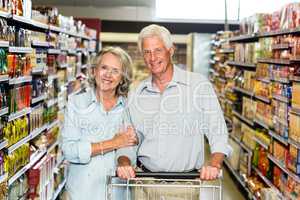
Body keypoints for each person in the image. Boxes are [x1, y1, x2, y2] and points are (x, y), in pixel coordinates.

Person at [116, 24, 232, 181]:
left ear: (170, 50)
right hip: (144, 182)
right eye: (147, 52)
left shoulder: (198, 85)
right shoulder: (136, 93)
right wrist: (124, 162)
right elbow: (129, 141)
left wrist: (215, 164)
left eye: (158, 50)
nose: (152, 58)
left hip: (185, 185)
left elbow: (217, 130)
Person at [61, 46, 137, 200]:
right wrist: (113, 143)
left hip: (118, 192)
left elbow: (129, 145)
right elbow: (69, 150)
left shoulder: (128, 107)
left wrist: (124, 161)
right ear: (94, 71)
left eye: (115, 70)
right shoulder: (77, 103)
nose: (108, 75)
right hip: (83, 193)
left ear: (122, 77)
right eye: (104, 68)